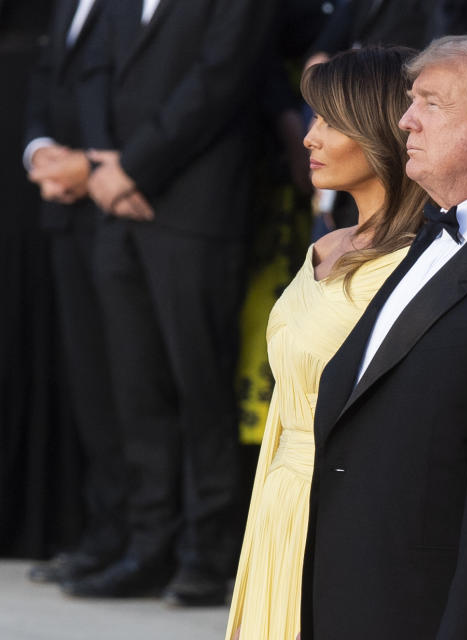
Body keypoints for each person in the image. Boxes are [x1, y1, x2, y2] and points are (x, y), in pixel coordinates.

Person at [299, 34, 467, 639]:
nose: (405, 120)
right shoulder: (435, 234)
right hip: (349, 582)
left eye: (430, 104)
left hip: (420, 604)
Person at [62, 0, 275, 605]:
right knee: (136, 387)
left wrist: (133, 167)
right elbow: (94, 69)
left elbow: (219, 80)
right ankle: (146, 547)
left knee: (199, 384)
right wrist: (103, 167)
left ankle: (206, 557)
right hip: (116, 207)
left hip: (193, 208)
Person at [224, 46, 427, 640]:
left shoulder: (416, 268)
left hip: (341, 513)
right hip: (277, 500)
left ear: (382, 130)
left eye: (330, 122)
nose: (310, 138)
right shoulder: (330, 240)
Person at [20, 0, 127, 583]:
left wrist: (89, 165)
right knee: (90, 381)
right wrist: (40, 154)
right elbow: (45, 82)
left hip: (124, 206)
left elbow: (139, 90)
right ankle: (106, 532)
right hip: (62, 208)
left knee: (130, 383)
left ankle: (147, 538)